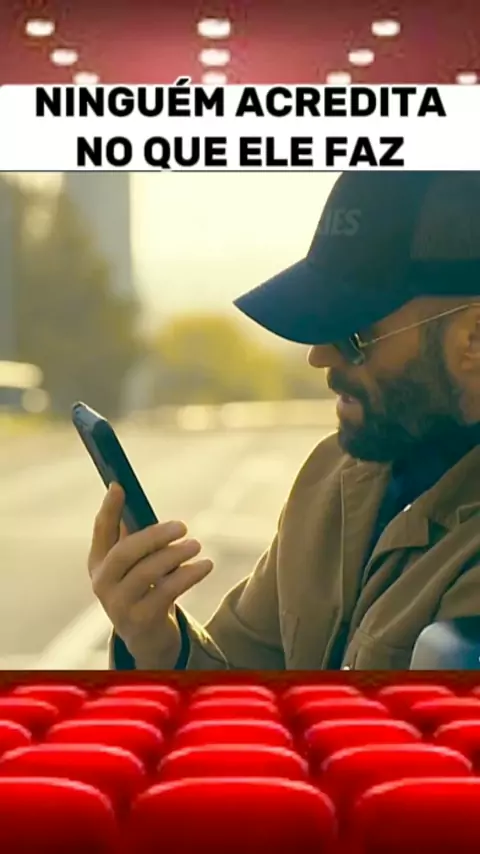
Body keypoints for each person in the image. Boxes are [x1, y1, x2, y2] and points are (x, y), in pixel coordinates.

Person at [89, 171, 480, 670]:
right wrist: (162, 648)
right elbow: (244, 678)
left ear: (473, 338)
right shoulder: (333, 476)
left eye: (354, 335)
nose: (319, 356)